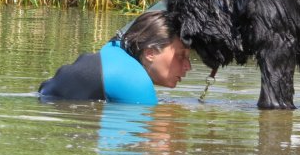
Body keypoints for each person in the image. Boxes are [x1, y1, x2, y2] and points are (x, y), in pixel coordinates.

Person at [39, 10, 191, 104]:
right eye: (180, 55)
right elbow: (157, 123)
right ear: (150, 53)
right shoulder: (135, 82)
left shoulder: (115, 50)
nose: (188, 66)